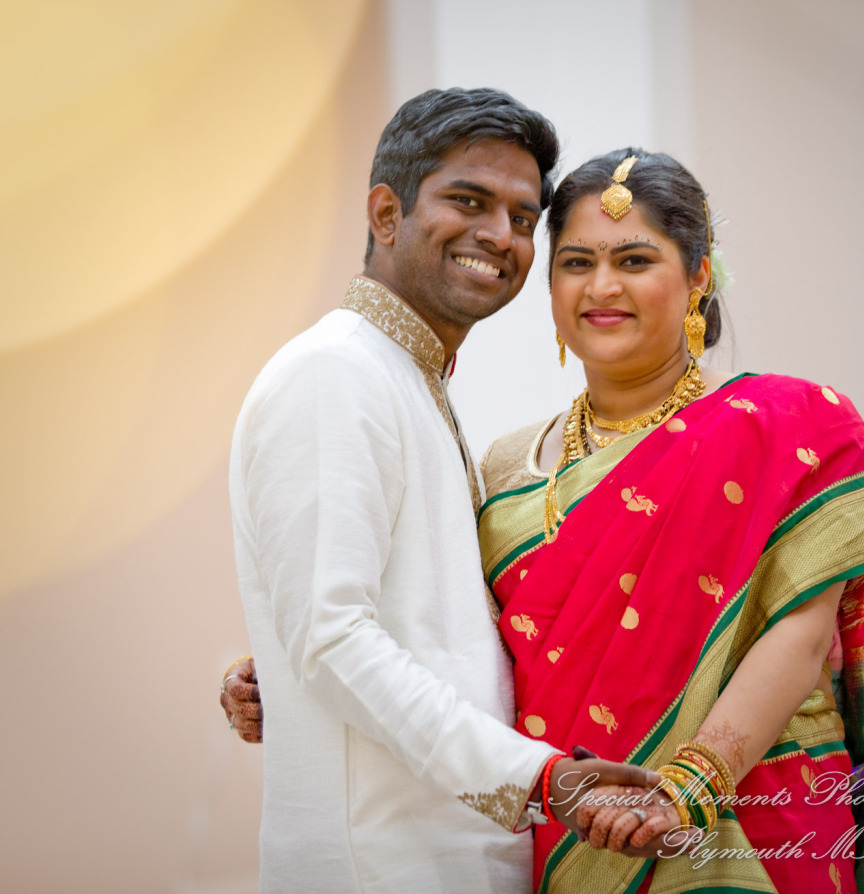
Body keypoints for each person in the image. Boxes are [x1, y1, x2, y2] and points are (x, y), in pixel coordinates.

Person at [226, 145, 864, 893]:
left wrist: (687, 788)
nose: (602, 287)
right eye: (576, 263)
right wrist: (288, 669)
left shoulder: (786, 422)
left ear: (698, 276)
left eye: (635, 260)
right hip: (576, 825)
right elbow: (470, 634)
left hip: (749, 814)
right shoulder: (509, 468)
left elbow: (799, 640)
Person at [226, 89, 659, 894]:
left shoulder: (408, 379)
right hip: (380, 867)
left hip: (447, 857)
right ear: (386, 214)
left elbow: (385, 624)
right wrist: (539, 778)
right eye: (468, 200)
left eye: (523, 217)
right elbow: (332, 640)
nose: (499, 235)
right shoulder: (334, 375)